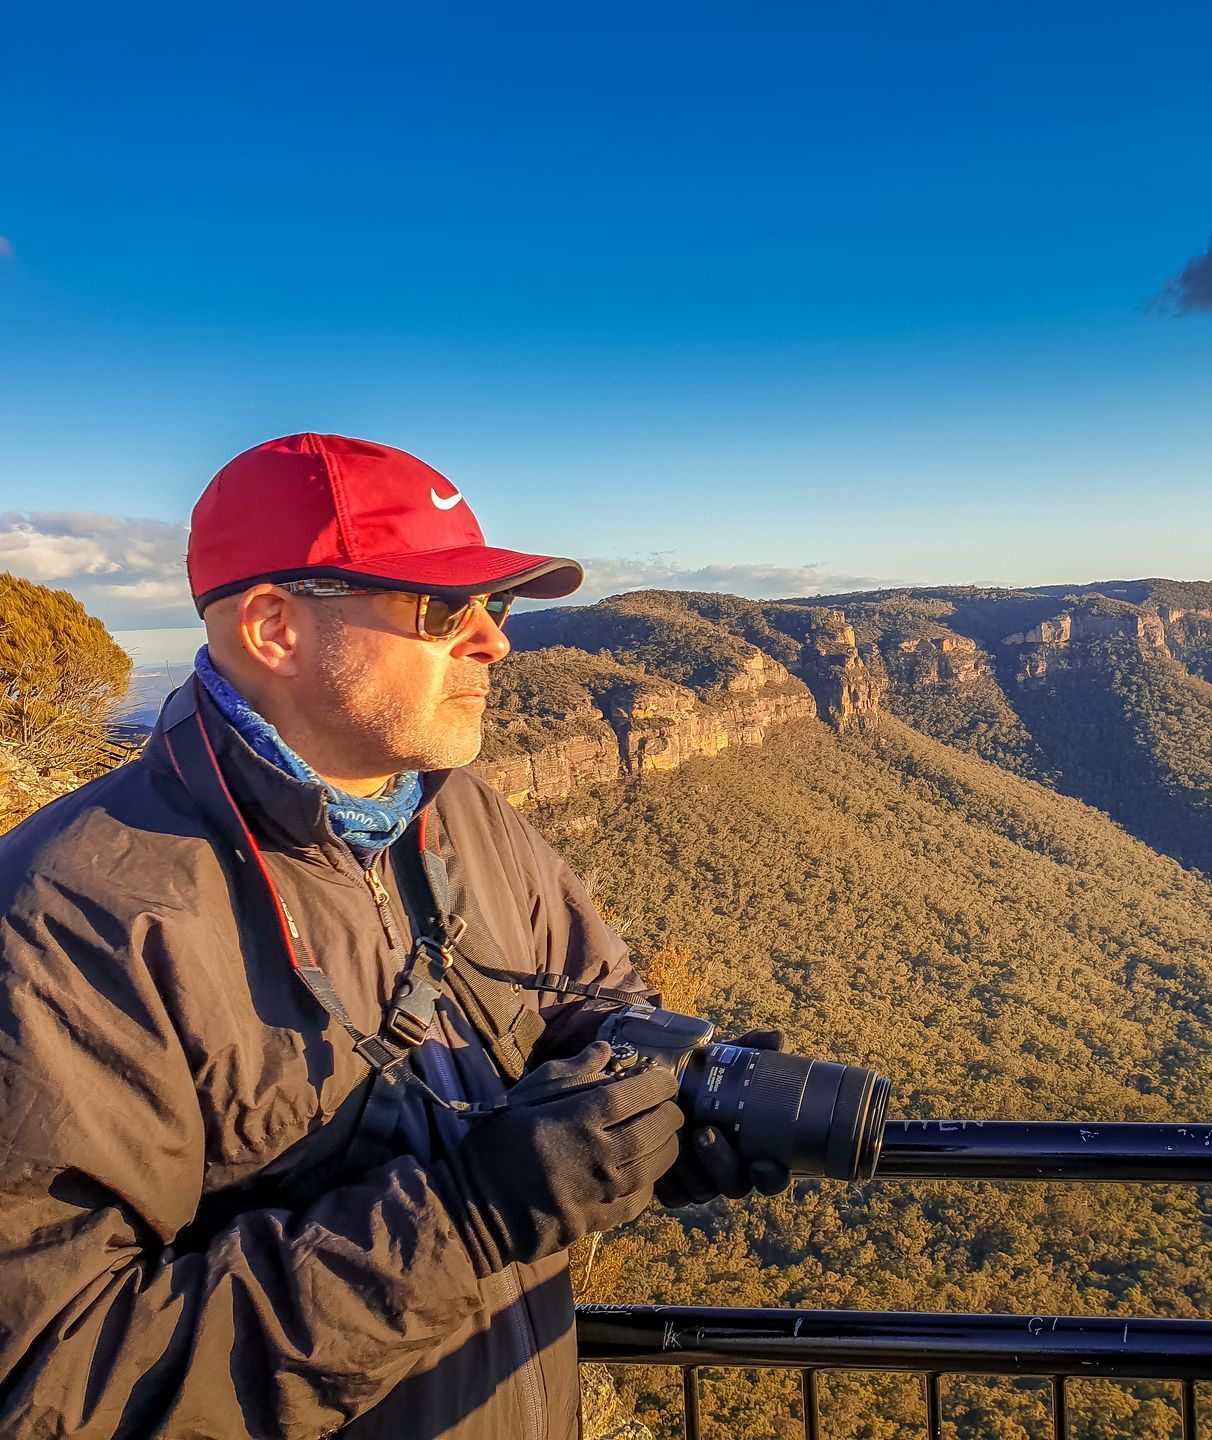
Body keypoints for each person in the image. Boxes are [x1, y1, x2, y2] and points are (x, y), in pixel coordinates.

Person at [0, 433, 783, 1438]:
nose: (495, 642)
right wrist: (466, 1218)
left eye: (492, 606)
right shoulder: (75, 921)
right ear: (274, 626)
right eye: (440, 609)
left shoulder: (462, 813)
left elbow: (596, 999)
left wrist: (666, 1097)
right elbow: (57, 1382)